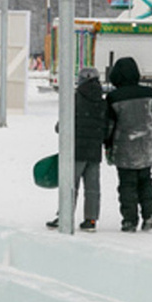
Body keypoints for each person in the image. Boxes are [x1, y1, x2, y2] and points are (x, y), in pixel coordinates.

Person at [105, 56, 152, 232]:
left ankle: (129, 220)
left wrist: (108, 146)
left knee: (127, 184)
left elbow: (109, 127)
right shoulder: (148, 93)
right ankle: (149, 214)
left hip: (124, 146)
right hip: (145, 145)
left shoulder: (113, 97)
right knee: (145, 180)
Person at [46, 67, 107, 232]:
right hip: (94, 151)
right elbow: (107, 126)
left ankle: (64, 216)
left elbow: (62, 125)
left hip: (76, 150)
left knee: (70, 184)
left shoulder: (74, 99)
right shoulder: (102, 101)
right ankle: (91, 219)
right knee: (93, 187)